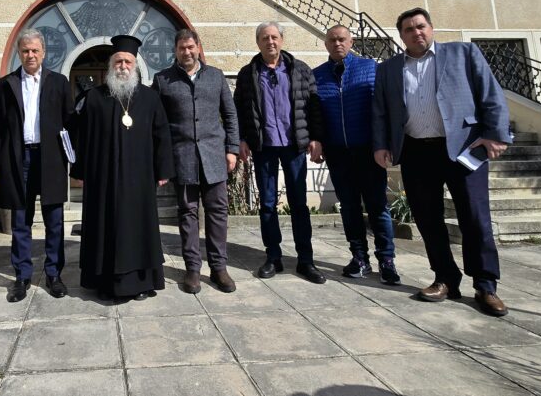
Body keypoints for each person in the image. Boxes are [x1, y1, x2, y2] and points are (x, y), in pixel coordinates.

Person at [372, 7, 511, 317]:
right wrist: (381, 145)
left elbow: (491, 94)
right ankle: (445, 278)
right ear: (401, 36)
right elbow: (380, 110)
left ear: (431, 28)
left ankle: (485, 285)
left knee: (474, 218)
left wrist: (495, 134)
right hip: (415, 150)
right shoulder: (389, 69)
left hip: (462, 148)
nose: (416, 32)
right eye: (409, 29)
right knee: (427, 219)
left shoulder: (463, 53)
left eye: (421, 26)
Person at [70, 35, 174, 302]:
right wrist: (79, 172)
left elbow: (162, 134)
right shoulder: (94, 98)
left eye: (128, 62)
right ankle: (103, 283)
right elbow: (81, 138)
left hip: (139, 179)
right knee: (103, 228)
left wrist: (163, 170)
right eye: (118, 61)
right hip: (102, 179)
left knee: (138, 229)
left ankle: (140, 282)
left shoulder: (150, 98)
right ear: (111, 66)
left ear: (135, 66)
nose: (123, 66)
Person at [234, 21, 326, 284]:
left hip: (294, 146)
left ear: (282, 40)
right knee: (267, 204)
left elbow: (314, 107)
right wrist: (241, 139)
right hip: (263, 147)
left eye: (274, 37)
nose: (270, 42)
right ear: (258, 42)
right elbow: (239, 109)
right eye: (265, 38)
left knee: (299, 204)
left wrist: (316, 138)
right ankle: (273, 257)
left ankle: (305, 260)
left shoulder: (300, 70)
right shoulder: (247, 73)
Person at [0, 29, 75, 302]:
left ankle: (54, 275)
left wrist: (72, 158)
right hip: (18, 159)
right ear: (19, 53)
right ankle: (22, 276)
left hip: (50, 159)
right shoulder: (5, 85)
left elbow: (70, 122)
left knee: (54, 221)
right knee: (21, 222)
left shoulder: (59, 82)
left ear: (43, 53)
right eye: (25, 50)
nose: (30, 55)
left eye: (35, 50)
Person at [152, 29, 239, 294]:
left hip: (214, 155)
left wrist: (232, 149)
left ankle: (219, 267)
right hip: (183, 157)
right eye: (182, 48)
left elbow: (230, 115)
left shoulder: (216, 76)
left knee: (217, 212)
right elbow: (157, 123)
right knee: (187, 212)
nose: (187, 52)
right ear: (175, 50)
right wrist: (162, 159)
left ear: (198, 47)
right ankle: (192, 269)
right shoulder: (163, 80)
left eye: (191, 47)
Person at [312, 26, 399, 284]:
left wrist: (384, 144)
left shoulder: (370, 68)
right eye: (332, 40)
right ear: (326, 44)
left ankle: (387, 260)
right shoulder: (317, 75)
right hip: (338, 152)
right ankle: (359, 257)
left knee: (377, 206)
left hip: (368, 150)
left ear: (351, 41)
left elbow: (383, 108)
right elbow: (315, 114)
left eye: (342, 39)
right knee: (349, 207)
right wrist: (318, 141)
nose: (337, 43)